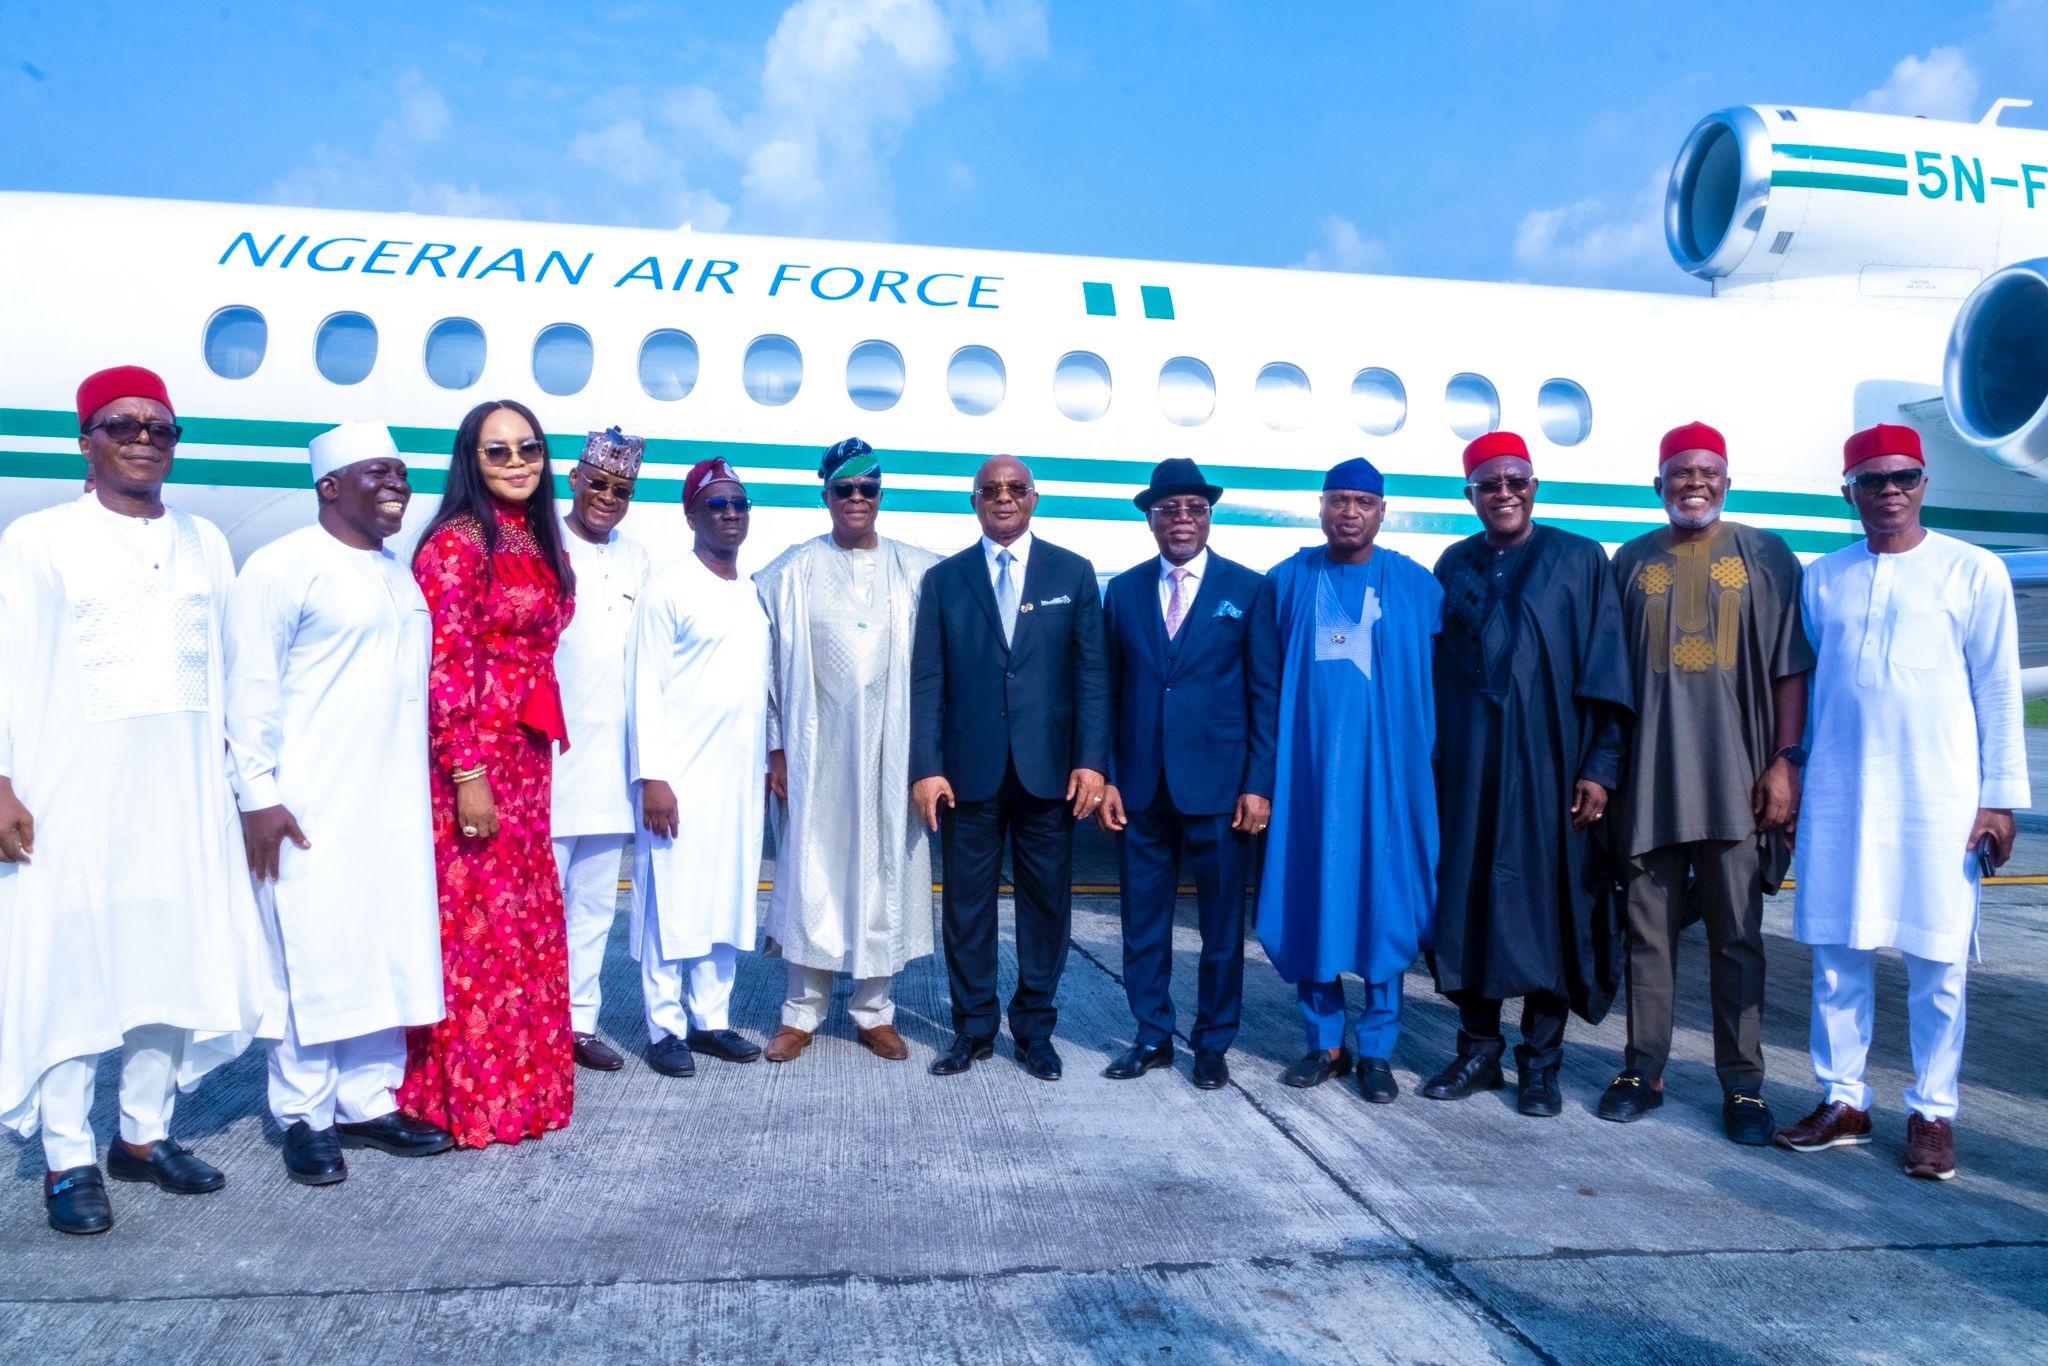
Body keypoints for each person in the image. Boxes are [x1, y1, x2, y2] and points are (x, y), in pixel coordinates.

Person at [0, 366, 283, 1235]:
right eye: (122, 424)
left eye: (161, 427)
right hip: (70, 791)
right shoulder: (39, 538)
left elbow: (238, 672)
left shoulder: (205, 541)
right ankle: (68, 1157)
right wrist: (1, 781)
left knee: (168, 966)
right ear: (85, 441)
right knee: (72, 971)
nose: (144, 439)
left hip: (184, 794)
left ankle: (142, 1136)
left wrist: (249, 785)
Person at [1774, 423, 2027, 1181]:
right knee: (1837, 954)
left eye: (1904, 477)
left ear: (1924, 483)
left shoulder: (1973, 570)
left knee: (1938, 961)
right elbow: (1801, 684)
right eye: (1872, 480)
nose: (1889, 491)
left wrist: (2000, 798)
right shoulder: (1823, 578)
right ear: (1848, 492)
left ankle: (1933, 1112)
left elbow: (1998, 689)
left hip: (1939, 797)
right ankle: (1843, 1100)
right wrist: (1790, 768)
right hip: (1841, 791)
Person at [226, 423, 454, 1185]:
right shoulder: (281, 566)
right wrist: (258, 794)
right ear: (328, 486)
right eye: (376, 471)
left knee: (382, 948)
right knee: (312, 954)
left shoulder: (396, 573)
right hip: (309, 804)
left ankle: (367, 1101)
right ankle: (305, 1115)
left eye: (400, 472)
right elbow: (250, 688)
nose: (396, 484)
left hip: (392, 802)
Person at [1601, 422, 1812, 1145]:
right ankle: (1643, 1070)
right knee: (1646, 934)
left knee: (1737, 936)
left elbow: (1791, 668)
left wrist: (1786, 761)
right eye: (1680, 472)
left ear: (1726, 479)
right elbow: (1609, 678)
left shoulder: (1766, 554)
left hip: (1737, 781)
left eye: (1707, 471)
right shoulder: (1630, 561)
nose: (1694, 483)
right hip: (1649, 781)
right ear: (1658, 483)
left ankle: (1743, 1085)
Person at [1426, 431, 1632, 1118]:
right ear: (1471, 496)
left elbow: (1608, 669)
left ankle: (1540, 1065)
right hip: (1470, 772)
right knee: (1468, 905)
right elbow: (1436, 671)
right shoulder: (1454, 562)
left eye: (1516, 481)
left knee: (1549, 910)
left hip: (1553, 770)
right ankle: (1478, 1051)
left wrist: (1600, 767)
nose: (1504, 493)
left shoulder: (1579, 558)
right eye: (1489, 484)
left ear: (1534, 486)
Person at [397, 399, 578, 1149]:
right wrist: (467, 771)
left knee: (520, 922)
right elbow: (443, 666)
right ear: (470, 459)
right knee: (478, 927)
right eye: (497, 451)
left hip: (525, 758)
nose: (516, 463)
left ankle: (523, 1088)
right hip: (474, 756)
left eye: (528, 448)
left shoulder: (532, 535)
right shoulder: (457, 543)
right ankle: (469, 1096)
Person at [910, 455, 1110, 1081]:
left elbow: (1092, 675)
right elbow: (928, 680)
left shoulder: (1072, 573)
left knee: (1045, 906)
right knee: (966, 907)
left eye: (1015, 488)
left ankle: (1034, 1030)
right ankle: (972, 1028)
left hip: (1049, 771)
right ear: (973, 501)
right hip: (968, 771)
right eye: (990, 489)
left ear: (1034, 497)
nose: (1003, 498)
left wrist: (1092, 762)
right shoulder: (944, 580)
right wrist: (926, 766)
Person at [1254, 457, 1443, 1101]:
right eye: (1339, 500)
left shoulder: (1416, 586)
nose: (1350, 512)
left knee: (1384, 905)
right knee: (1313, 899)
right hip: (1309, 779)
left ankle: (1378, 1049)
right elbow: (1264, 682)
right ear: (1321, 507)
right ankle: (1325, 1044)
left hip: (1388, 780)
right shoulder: (1286, 581)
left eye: (1364, 502)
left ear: (1383, 511)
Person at [755, 439, 940, 1065]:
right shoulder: (790, 572)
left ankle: (874, 1012)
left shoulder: (918, 570)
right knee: (812, 870)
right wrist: (776, 748)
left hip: (892, 754)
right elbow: (765, 669)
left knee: (884, 871)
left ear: (880, 495)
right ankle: (800, 1014)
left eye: (868, 489)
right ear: (826, 495)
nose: (856, 499)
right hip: (816, 754)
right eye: (844, 489)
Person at [1096, 458, 1277, 1090]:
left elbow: (1265, 694)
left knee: (1221, 928)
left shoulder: (1248, 589)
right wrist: (1109, 776)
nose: (1181, 518)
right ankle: (1151, 1035)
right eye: (1168, 509)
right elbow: (1108, 692)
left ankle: (1212, 1041)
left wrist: (1259, 783)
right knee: (1143, 923)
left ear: (1208, 516)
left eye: (1194, 508)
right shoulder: (1124, 591)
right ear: (1150, 519)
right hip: (1141, 786)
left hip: (1221, 787)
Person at [629, 458, 769, 1077]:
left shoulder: (751, 593)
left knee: (725, 898)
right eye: (717, 504)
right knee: (672, 901)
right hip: (679, 778)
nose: (731, 513)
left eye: (739, 503)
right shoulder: (668, 587)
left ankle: (711, 1019)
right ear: (691, 516)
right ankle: (665, 1028)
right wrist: (652, 776)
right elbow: (644, 686)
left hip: (738, 780)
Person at [551, 427, 651, 1073]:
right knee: (535, 907)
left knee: (591, 908)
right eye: (598, 483)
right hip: (548, 761)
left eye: (621, 489)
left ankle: (578, 1024)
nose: (608, 498)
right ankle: (529, 1025)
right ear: (575, 480)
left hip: (612, 768)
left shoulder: (637, 559)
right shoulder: (541, 545)